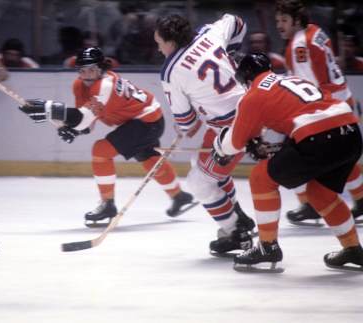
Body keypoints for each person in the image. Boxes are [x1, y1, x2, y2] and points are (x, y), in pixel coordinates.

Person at [212, 53, 363, 271]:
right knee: (320, 193)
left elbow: (234, 143)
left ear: (245, 77)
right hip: (350, 133)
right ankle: (353, 249)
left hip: (317, 137)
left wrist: (219, 146)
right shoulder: (291, 80)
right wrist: (258, 143)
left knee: (261, 178)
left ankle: (267, 246)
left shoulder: (253, 94)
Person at [20, 47, 196, 228]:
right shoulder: (79, 85)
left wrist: (49, 110)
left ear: (101, 69)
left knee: (101, 150)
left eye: (92, 69)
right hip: (141, 120)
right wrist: (73, 129)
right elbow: (86, 121)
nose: (87, 75)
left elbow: (81, 118)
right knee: (147, 157)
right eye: (82, 70)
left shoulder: (106, 85)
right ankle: (179, 196)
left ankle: (108, 205)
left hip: (147, 121)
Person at [154, 14, 255, 255]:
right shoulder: (209, 33)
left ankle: (234, 231)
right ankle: (238, 215)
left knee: (197, 183)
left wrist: (185, 125)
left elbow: (187, 123)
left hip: (232, 129)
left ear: (170, 42)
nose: (158, 49)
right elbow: (237, 20)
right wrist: (230, 54)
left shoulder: (171, 71)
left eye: (159, 43)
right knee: (199, 164)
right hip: (250, 108)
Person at [275, 0, 363, 225]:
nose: (279, 25)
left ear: (297, 20)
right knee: (339, 157)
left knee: (298, 154)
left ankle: (310, 205)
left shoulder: (298, 46)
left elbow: (310, 85)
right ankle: (358, 200)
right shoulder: (316, 31)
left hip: (328, 108)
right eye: (277, 21)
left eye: (284, 20)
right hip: (344, 100)